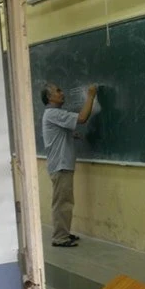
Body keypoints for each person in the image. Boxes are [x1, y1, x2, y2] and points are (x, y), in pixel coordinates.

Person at [41, 82, 97, 247]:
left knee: (65, 201)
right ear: (49, 97)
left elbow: (59, 133)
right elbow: (82, 118)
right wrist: (91, 96)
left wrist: (71, 135)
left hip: (62, 165)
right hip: (60, 166)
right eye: (58, 91)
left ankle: (63, 232)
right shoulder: (53, 113)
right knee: (62, 203)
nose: (62, 93)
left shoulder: (54, 114)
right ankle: (60, 238)